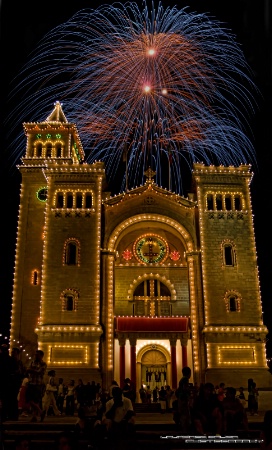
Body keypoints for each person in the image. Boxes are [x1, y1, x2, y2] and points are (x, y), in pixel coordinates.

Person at [26, 349, 47, 422]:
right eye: (35, 355)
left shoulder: (43, 364)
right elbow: (28, 369)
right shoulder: (32, 362)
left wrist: (31, 370)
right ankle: (41, 412)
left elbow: (40, 372)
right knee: (28, 399)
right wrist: (33, 370)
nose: (35, 356)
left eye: (37, 355)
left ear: (41, 356)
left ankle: (34, 416)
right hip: (31, 383)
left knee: (36, 400)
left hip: (38, 384)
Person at [175, 366, 192, 432]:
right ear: (189, 373)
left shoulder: (182, 379)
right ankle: (185, 429)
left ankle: (184, 428)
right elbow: (185, 388)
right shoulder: (185, 379)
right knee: (185, 414)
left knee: (183, 413)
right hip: (183, 398)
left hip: (181, 398)